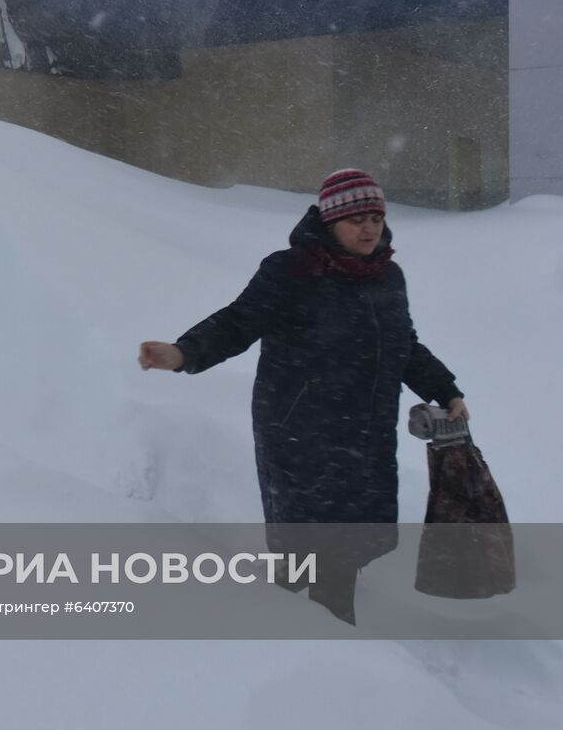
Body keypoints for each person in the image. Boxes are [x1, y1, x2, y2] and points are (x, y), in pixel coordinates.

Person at [137, 169, 468, 623]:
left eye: (376, 216)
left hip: (366, 433)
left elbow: (403, 345)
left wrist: (445, 389)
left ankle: (291, 617)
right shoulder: (292, 270)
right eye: (357, 219)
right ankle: (313, 635)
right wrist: (182, 353)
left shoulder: (387, 277)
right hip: (299, 430)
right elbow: (238, 322)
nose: (370, 228)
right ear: (331, 220)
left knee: (345, 539)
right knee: (316, 542)